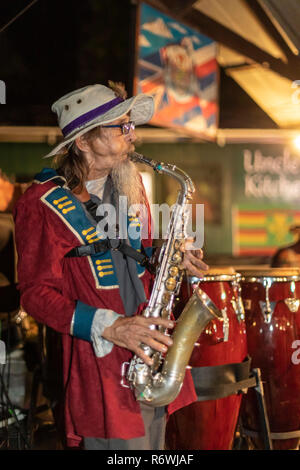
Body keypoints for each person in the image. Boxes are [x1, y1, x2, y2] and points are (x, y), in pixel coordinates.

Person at [13, 82, 208, 450]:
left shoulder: (131, 185)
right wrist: (111, 327)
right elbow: (36, 295)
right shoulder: (40, 203)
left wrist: (169, 258)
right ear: (84, 141)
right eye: (121, 127)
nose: (132, 136)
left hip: (150, 352)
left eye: (130, 125)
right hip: (101, 361)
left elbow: (138, 258)